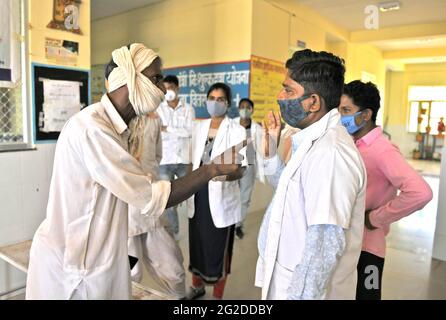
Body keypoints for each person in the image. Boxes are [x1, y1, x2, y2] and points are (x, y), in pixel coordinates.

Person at [26, 44, 245, 300]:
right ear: (129, 80)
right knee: (136, 269)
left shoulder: (123, 125)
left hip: (115, 237)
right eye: (155, 79)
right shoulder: (93, 129)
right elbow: (150, 195)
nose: (163, 89)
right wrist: (212, 169)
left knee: (171, 270)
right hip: (77, 268)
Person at [255, 49, 366, 300]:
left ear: (314, 102)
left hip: (302, 291)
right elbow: (283, 187)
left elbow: (323, 246)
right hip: (287, 277)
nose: (280, 97)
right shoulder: (309, 139)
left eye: (289, 91)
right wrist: (271, 150)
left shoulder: (331, 154)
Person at [338, 80, 433, 300]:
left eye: (346, 111)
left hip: (368, 248)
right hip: (348, 242)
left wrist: (376, 218)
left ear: (366, 114)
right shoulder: (352, 144)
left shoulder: (382, 150)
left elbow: (421, 192)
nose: (341, 117)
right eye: (339, 110)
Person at [104, 60, 187, 300]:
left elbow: (156, 156)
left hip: (152, 209)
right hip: (124, 216)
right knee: (130, 272)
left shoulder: (153, 119)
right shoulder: (108, 123)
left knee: (172, 269)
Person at [186, 83, 247, 300]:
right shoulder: (198, 128)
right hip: (198, 195)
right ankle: (197, 286)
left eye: (220, 99)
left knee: (218, 251)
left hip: (222, 199)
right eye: (211, 97)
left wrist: (222, 175)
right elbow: (191, 162)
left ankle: (217, 297)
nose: (215, 103)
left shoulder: (237, 130)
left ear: (227, 103)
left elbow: (242, 169)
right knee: (198, 245)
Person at [157, 75, 195, 240]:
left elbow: (190, 132)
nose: (168, 91)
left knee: (191, 197)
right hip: (164, 161)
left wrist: (168, 129)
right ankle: (174, 233)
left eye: (171, 87)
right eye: (165, 88)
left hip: (183, 161)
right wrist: (176, 130)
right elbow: (158, 131)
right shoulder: (158, 109)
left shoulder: (188, 108)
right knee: (168, 199)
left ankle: (197, 229)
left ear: (177, 88)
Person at [232, 98, 265, 239]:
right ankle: (228, 223)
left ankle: (238, 225)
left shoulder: (257, 128)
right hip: (232, 165)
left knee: (244, 198)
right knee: (230, 195)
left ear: (252, 110)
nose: (244, 109)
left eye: (247, 107)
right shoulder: (231, 125)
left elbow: (260, 150)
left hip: (248, 166)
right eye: (242, 106)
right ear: (238, 109)